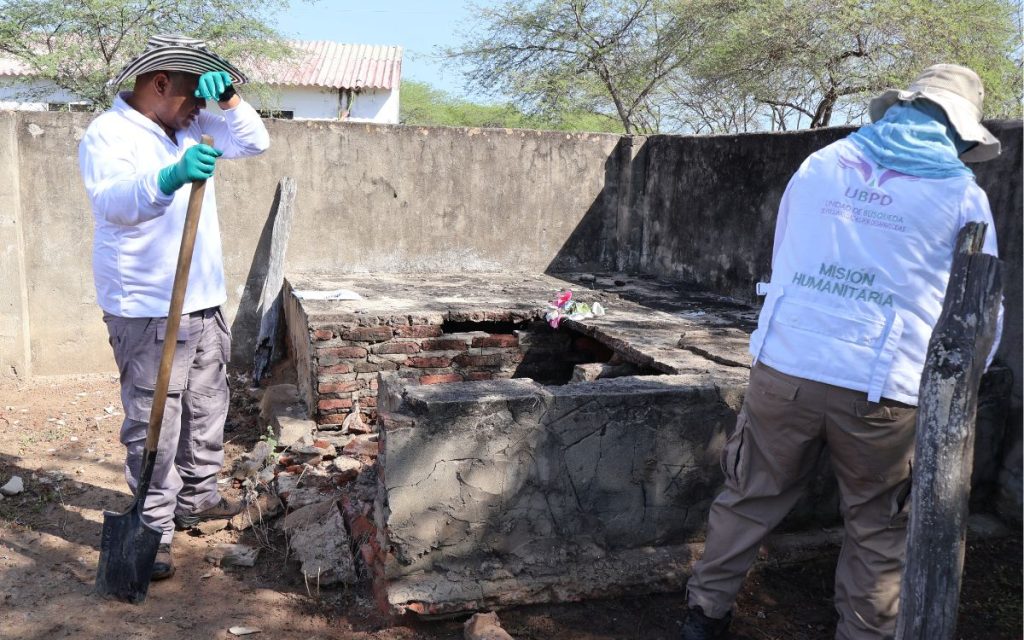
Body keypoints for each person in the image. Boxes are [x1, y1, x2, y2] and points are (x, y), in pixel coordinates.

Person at [681, 64, 1003, 640]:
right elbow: (979, 307)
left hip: (786, 367)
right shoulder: (961, 195)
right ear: (959, 130)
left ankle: (702, 618)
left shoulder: (821, 164)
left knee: (749, 495)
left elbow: (786, 257)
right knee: (880, 532)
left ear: (901, 108)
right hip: (887, 391)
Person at [79, 34, 270, 581]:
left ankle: (197, 498)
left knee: (208, 407)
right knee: (154, 422)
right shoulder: (108, 134)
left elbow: (254, 142)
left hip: (203, 299)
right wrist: (169, 178)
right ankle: (153, 526)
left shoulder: (190, 125)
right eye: (195, 92)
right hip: (146, 306)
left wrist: (230, 99)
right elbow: (113, 200)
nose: (201, 107)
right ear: (160, 84)